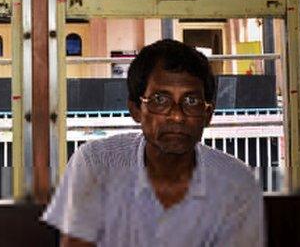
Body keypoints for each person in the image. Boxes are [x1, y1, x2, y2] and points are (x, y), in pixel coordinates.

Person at [42, 39, 265, 247]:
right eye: (160, 100)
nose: (177, 116)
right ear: (136, 109)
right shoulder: (96, 164)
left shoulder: (236, 182)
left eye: (191, 101)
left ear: (208, 114)